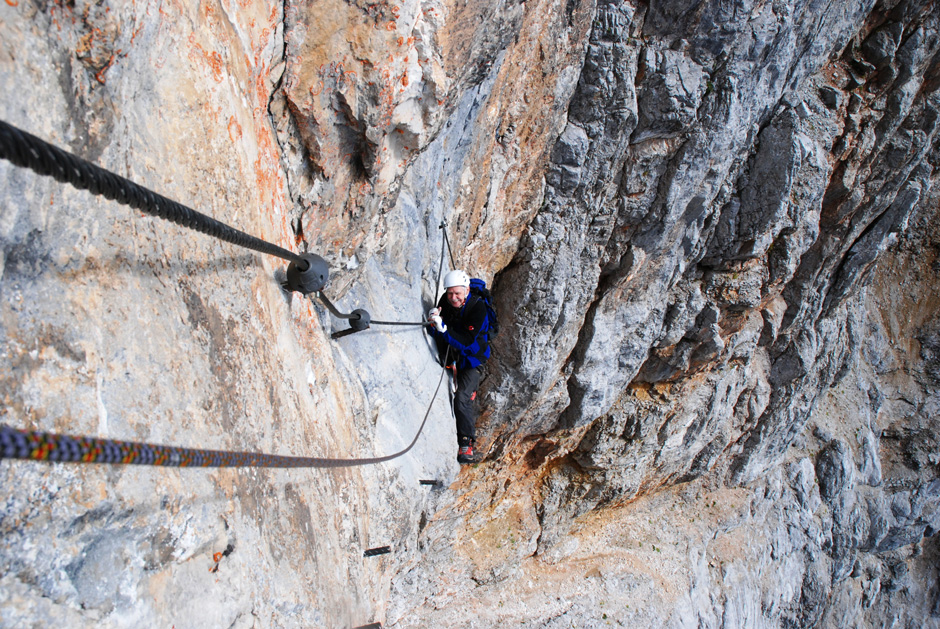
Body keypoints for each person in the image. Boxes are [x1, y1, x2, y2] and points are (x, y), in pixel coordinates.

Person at [427, 270, 491, 464]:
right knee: (462, 390)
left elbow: (466, 342)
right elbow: (441, 326)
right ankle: (467, 386)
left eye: (457, 294)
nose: (453, 298)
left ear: (467, 290)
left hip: (473, 359)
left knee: (462, 397)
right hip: (454, 356)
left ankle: (466, 444)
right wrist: (433, 320)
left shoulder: (478, 309)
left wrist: (442, 328)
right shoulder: (445, 301)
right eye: (450, 293)